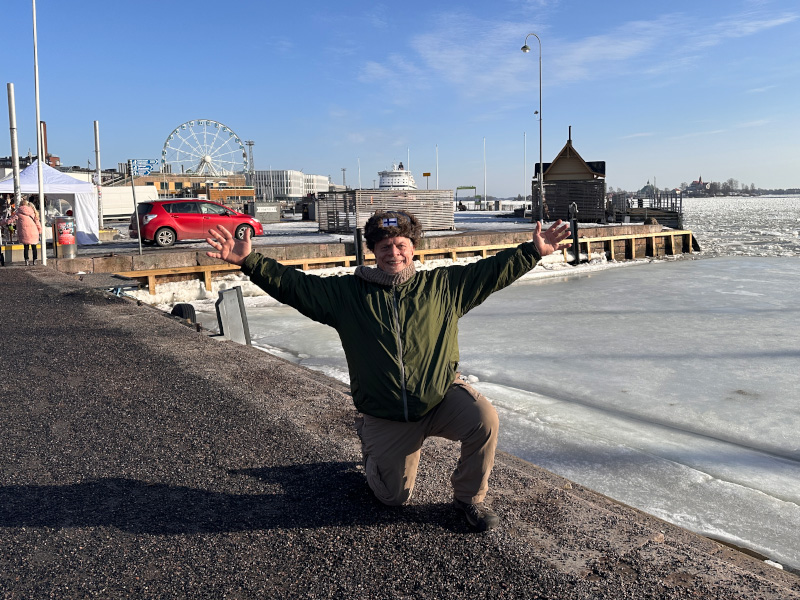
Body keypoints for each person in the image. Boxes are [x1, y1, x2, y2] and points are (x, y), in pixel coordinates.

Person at [206, 210, 571, 531]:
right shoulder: (347, 295)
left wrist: (533, 251)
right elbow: (296, 286)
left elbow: (492, 271)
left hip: (439, 398)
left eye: (400, 244)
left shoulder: (444, 287)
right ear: (373, 251)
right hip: (385, 412)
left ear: (413, 247)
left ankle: (468, 500)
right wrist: (251, 262)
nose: (393, 252)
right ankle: (372, 447)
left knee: (484, 418)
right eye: (384, 246)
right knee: (392, 499)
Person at [8, 198, 42, 266]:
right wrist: (40, 230)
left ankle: (26, 261)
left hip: (24, 233)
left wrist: (4, 222)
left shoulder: (18, 213)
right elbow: (37, 222)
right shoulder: (32, 212)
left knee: (26, 247)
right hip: (33, 232)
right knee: (34, 247)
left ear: (20, 205)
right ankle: (35, 260)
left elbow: (10, 220)